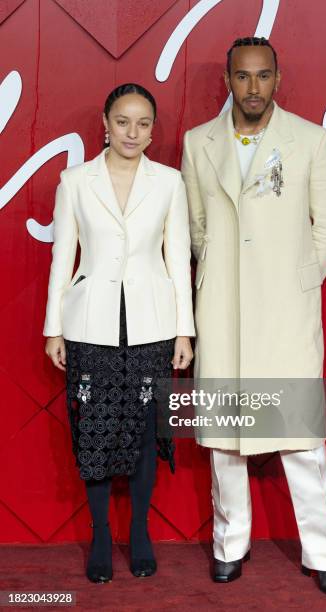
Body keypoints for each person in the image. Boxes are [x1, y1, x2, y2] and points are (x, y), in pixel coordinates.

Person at [181, 37, 326, 598]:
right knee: (227, 438)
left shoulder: (311, 140)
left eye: (262, 76)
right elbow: (197, 225)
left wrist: (297, 282)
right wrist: (218, 275)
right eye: (241, 76)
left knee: (301, 438)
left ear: (278, 78)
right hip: (222, 309)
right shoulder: (196, 142)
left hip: (286, 310)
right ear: (227, 80)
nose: (252, 87)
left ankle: (323, 554)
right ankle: (230, 545)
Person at [44, 83, 195, 583]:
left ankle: (139, 533)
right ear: (105, 124)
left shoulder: (170, 182)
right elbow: (62, 257)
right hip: (91, 323)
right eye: (123, 121)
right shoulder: (75, 181)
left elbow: (178, 259)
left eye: (144, 123)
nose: (133, 132)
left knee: (150, 432)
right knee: (96, 431)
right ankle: (102, 538)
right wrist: (54, 329)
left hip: (152, 325)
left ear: (154, 130)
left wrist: (183, 331)